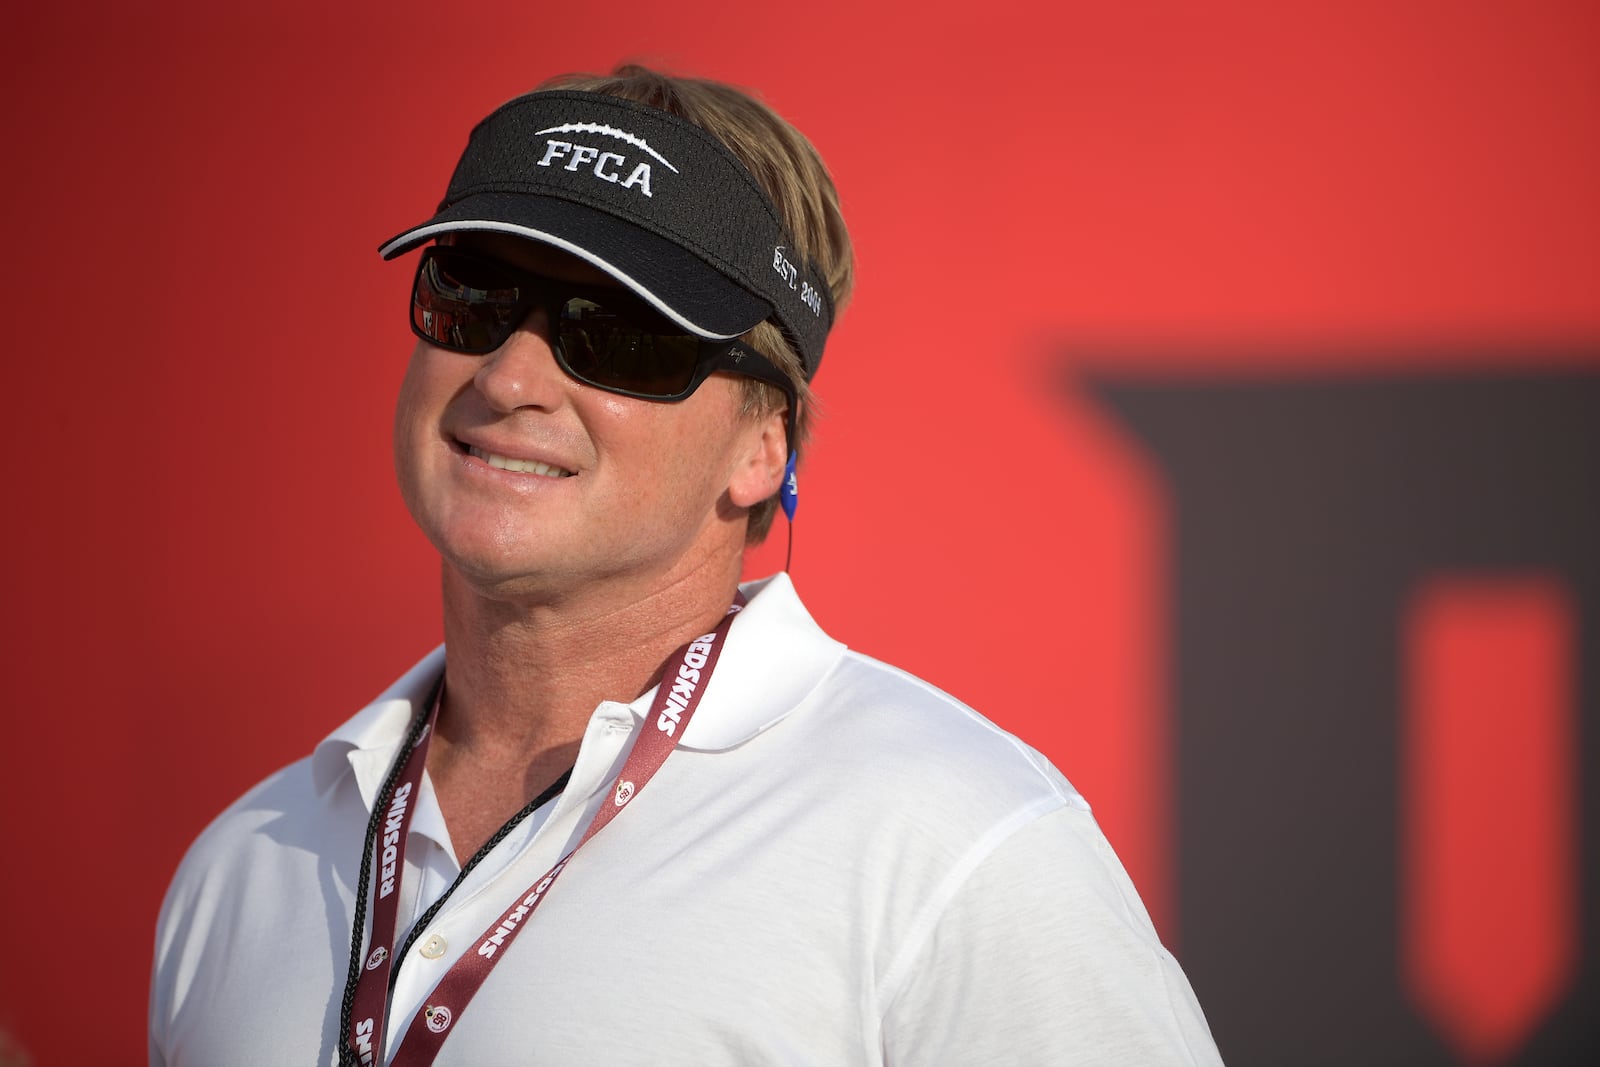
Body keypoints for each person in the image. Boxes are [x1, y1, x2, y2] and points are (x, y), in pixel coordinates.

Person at [149, 64, 1223, 1066]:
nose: (511, 375)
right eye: (471, 294)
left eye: (614, 332)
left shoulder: (957, 846)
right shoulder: (243, 862)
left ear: (767, 444)